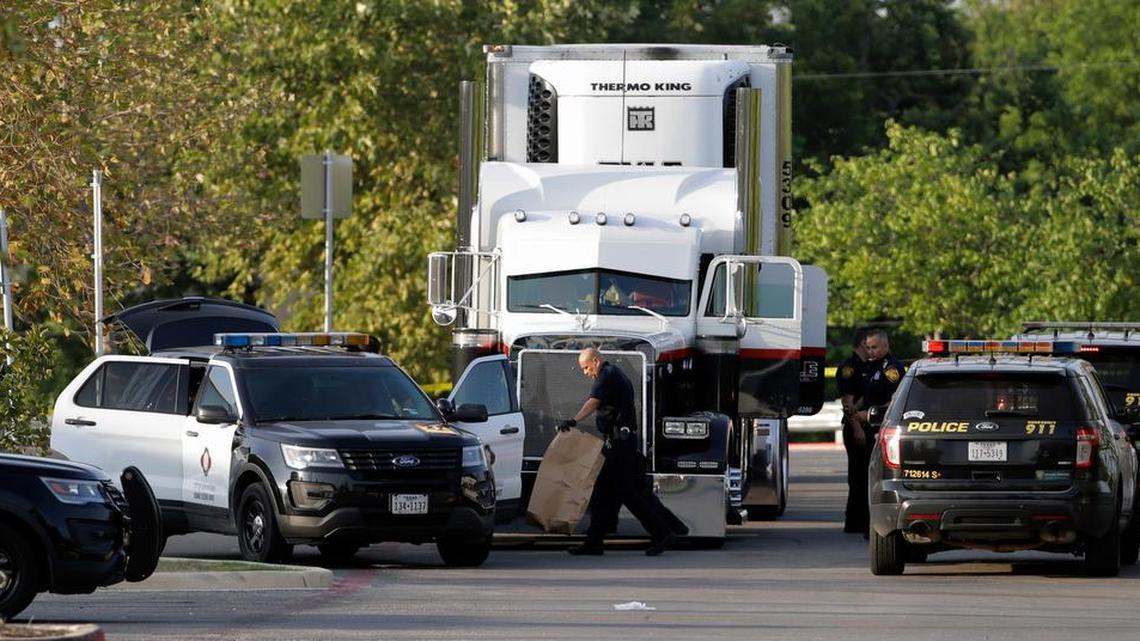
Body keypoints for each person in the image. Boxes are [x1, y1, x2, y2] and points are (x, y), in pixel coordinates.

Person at [557, 347, 684, 556]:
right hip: (616, 443)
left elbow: (593, 401)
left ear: (596, 361)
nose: (585, 372)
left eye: (586, 367)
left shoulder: (607, 376)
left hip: (620, 444)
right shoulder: (613, 374)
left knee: (628, 493)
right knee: (602, 494)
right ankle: (594, 542)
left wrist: (574, 420)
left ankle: (662, 533)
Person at [851, 328, 905, 538]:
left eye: (874, 347)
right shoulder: (871, 367)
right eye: (868, 348)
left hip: (879, 428)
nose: (871, 351)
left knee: (876, 480)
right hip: (866, 424)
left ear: (886, 346)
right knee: (862, 479)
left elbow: (892, 402)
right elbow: (867, 393)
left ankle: (875, 529)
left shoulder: (892, 369)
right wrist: (856, 410)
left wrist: (871, 413)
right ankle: (865, 525)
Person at [837, 328, 871, 534]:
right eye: (869, 346)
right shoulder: (850, 367)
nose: (871, 350)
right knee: (857, 476)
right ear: (861, 344)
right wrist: (857, 429)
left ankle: (861, 521)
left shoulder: (867, 366)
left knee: (863, 476)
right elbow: (847, 402)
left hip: (864, 425)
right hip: (855, 427)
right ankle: (854, 522)